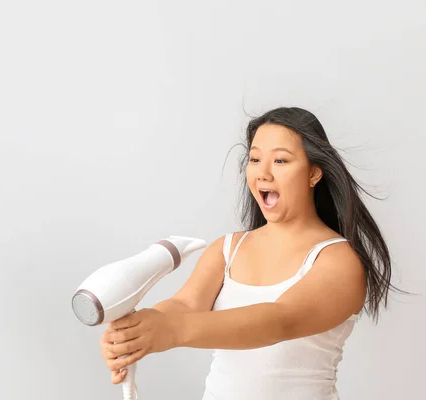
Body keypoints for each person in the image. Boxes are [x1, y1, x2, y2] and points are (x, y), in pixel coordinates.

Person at [99, 106, 403, 399]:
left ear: (314, 174)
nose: (263, 173)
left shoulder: (338, 261)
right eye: (255, 159)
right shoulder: (228, 249)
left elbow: (280, 320)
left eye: (281, 161)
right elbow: (185, 304)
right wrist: (137, 333)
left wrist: (172, 330)